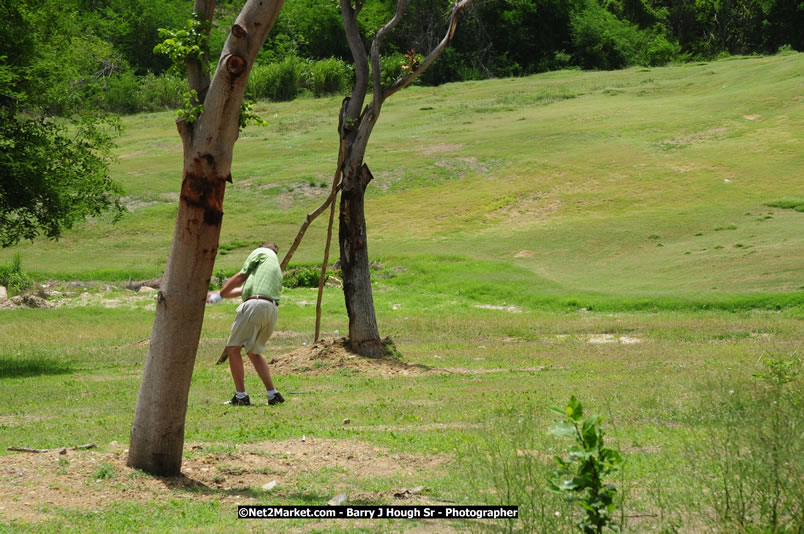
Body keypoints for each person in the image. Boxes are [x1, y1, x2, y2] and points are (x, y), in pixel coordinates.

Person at [207, 241, 284, 406]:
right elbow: (242, 291)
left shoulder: (261, 252)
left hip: (255, 306)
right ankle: (273, 394)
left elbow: (241, 276)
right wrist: (217, 296)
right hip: (271, 310)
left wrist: (219, 295)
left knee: (233, 348)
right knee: (254, 352)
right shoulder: (272, 270)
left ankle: (241, 396)